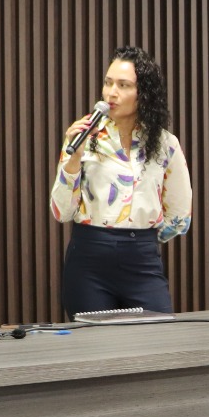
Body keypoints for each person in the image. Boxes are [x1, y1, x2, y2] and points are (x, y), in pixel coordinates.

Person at [51, 45, 193, 316]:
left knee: (160, 335)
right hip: (89, 261)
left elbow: (179, 215)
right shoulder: (82, 137)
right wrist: (73, 159)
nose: (111, 93)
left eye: (123, 85)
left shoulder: (166, 144)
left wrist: (139, 239)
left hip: (142, 261)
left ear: (144, 93)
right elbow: (61, 212)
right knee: (94, 342)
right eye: (108, 83)